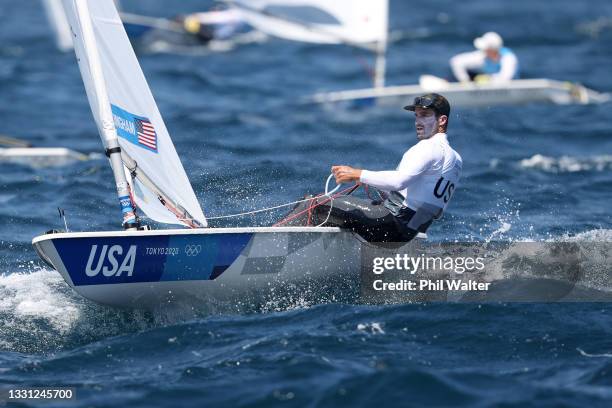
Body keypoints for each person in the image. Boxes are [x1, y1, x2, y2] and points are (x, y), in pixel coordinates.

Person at [284, 93, 462, 243]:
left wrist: (357, 174)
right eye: (416, 115)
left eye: (425, 115)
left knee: (312, 204)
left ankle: (275, 242)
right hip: (409, 233)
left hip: (389, 225)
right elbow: (419, 197)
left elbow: (399, 181)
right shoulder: (455, 159)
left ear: (442, 120)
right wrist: (372, 181)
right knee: (347, 209)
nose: (418, 121)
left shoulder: (428, 148)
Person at [450, 32, 519, 84]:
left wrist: (487, 79)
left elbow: (505, 78)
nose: (484, 51)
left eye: (486, 49)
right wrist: (465, 81)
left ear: (492, 49)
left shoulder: (508, 58)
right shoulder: (483, 55)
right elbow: (456, 61)